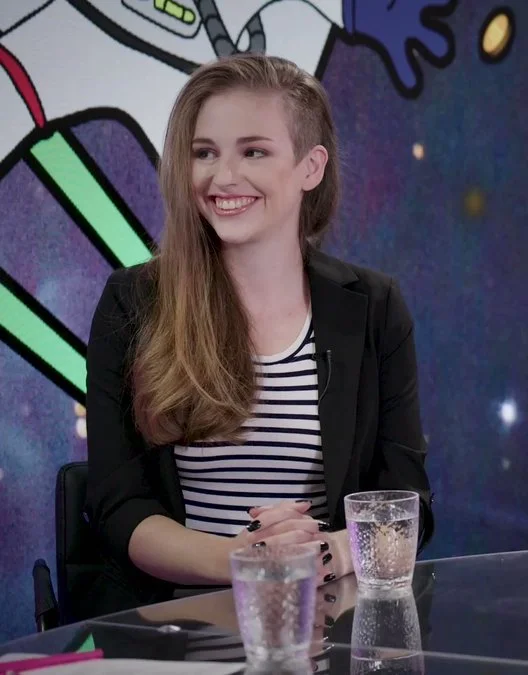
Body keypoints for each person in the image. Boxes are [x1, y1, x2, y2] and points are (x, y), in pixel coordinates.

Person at [85, 53, 434, 619]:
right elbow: (119, 508)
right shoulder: (132, 303)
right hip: (182, 627)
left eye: (254, 151)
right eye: (205, 153)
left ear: (310, 167)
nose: (223, 178)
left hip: (331, 623)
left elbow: (408, 505)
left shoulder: (374, 308)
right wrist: (244, 558)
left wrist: (327, 552)